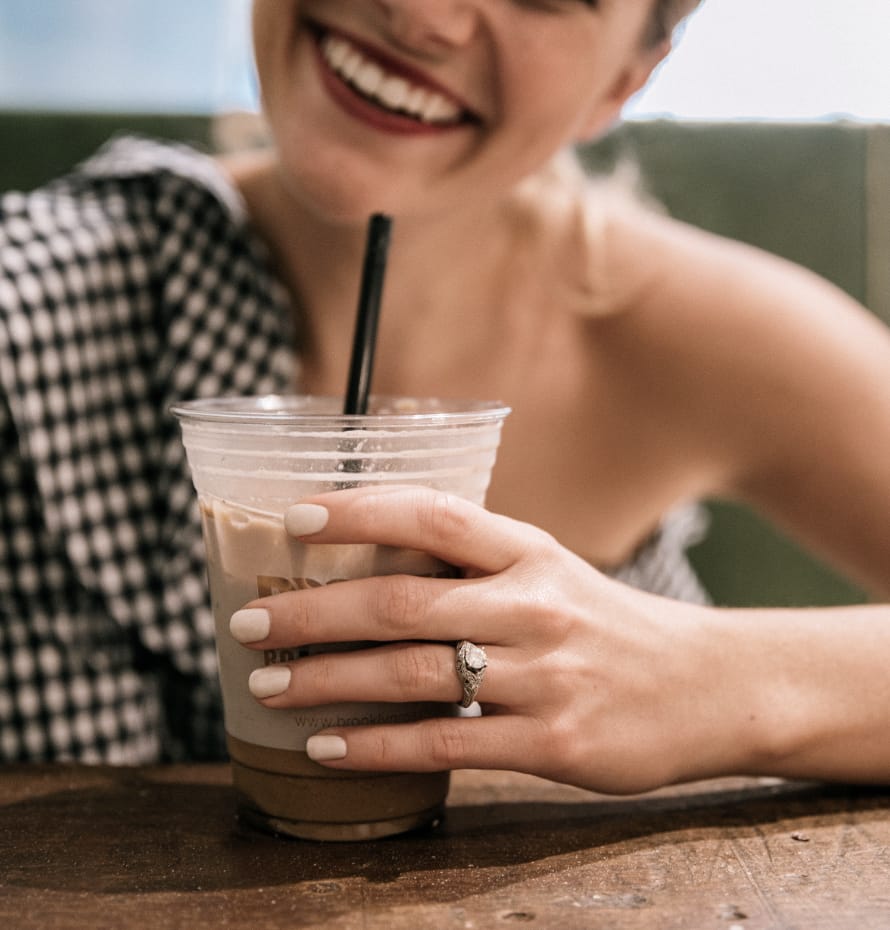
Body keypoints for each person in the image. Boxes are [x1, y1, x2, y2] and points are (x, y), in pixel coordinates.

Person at [2, 0, 889, 793]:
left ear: (625, 78)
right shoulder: (29, 300)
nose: (425, 14)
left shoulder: (698, 333)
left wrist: (707, 680)